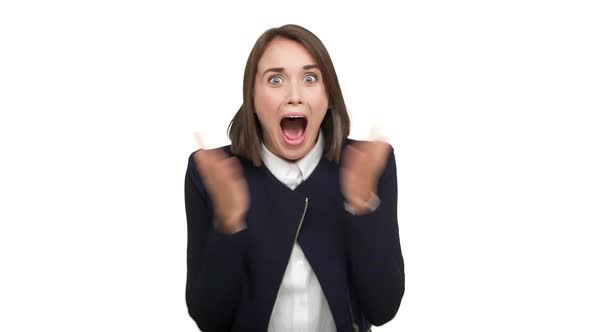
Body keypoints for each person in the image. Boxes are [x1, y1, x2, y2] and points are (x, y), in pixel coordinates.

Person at [184, 24, 404, 332]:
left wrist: (361, 206)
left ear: (329, 97)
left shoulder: (368, 167)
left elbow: (383, 308)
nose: (294, 96)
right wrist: (229, 223)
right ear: (252, 97)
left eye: (310, 78)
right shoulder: (213, 174)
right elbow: (210, 319)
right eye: (275, 79)